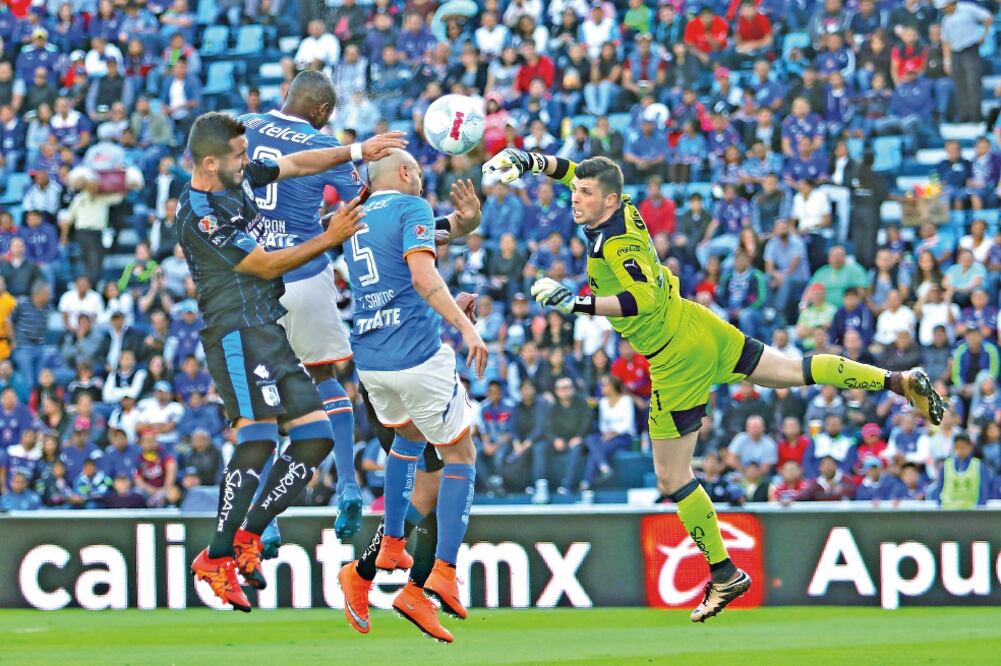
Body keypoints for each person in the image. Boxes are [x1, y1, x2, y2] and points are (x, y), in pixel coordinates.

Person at [483, 149, 947, 621]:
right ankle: (895, 380)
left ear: (609, 201)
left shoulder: (614, 243)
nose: (575, 198)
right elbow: (575, 176)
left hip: (675, 357)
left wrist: (575, 303)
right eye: (576, 191)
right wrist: (528, 162)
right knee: (789, 371)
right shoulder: (620, 209)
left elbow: (640, 299)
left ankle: (725, 573)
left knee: (672, 477)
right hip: (698, 324)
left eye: (585, 194)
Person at [178, 111, 402, 612]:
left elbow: (296, 163)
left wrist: (355, 152)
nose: (248, 160)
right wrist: (331, 237)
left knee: (315, 435)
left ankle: (248, 537)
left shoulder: (236, 175)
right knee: (256, 440)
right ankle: (215, 557)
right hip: (235, 334)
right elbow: (264, 264)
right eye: (239, 155)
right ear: (210, 163)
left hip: (268, 329)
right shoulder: (200, 212)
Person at [336, 149, 487, 644]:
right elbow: (421, 274)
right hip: (416, 358)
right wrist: (465, 327)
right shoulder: (409, 207)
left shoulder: (354, 217)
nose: (423, 181)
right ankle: (431, 577)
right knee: (450, 467)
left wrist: (464, 224)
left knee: (421, 473)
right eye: (419, 173)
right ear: (404, 173)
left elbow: (419, 249)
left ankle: (373, 571)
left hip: (373, 361)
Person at [240, 70, 382, 542]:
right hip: (306, 272)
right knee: (323, 378)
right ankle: (347, 485)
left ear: (285, 96)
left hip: (255, 277)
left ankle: (268, 520)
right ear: (322, 112)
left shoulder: (244, 126)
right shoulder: (323, 147)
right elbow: (361, 205)